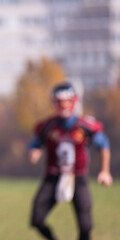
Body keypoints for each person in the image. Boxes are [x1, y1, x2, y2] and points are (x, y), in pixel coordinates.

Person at [27, 82, 113, 240]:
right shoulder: (47, 126)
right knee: (36, 219)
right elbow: (35, 143)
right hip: (53, 177)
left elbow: (104, 145)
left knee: (86, 226)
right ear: (53, 103)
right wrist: (34, 151)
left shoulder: (85, 125)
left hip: (78, 177)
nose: (64, 105)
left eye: (67, 101)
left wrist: (105, 171)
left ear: (74, 101)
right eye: (60, 102)